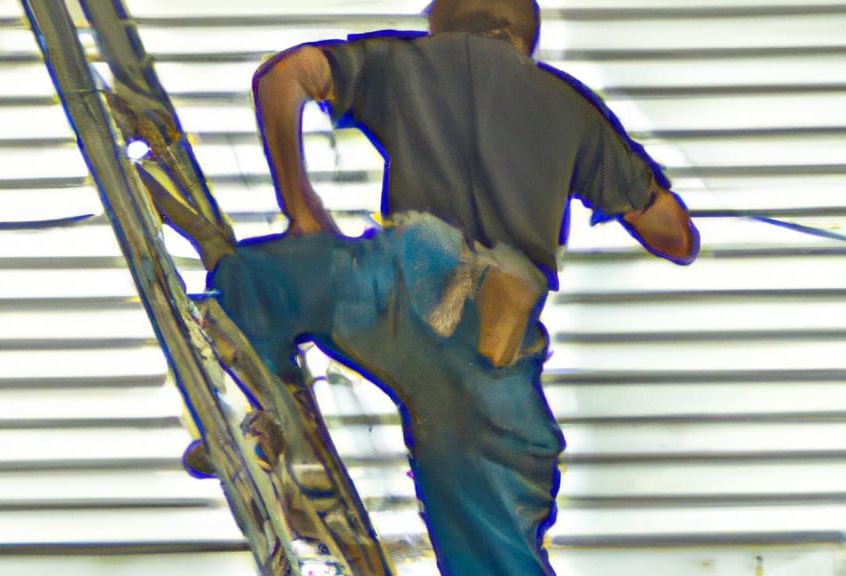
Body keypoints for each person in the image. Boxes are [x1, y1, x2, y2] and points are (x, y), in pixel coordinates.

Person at [206, 0, 700, 574]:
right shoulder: (568, 105)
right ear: (525, 36)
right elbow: (672, 236)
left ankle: (272, 409)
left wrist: (303, 210)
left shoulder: (404, 61)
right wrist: (648, 201)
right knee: (493, 557)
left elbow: (283, 76)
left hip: (394, 292)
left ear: (442, 19)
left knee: (251, 284)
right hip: (488, 356)